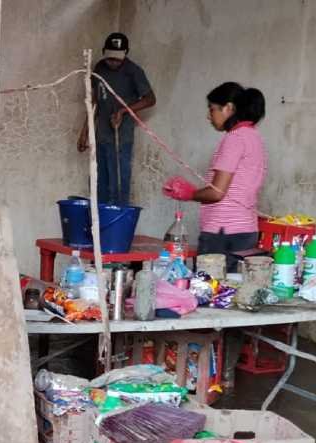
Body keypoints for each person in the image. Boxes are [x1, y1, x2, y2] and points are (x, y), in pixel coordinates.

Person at [162, 82, 268, 272]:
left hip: (223, 231)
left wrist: (189, 194)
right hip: (247, 229)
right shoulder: (254, 137)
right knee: (234, 290)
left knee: (210, 290)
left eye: (212, 110)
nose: (209, 116)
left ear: (228, 108)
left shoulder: (234, 139)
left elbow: (217, 193)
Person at [77, 32, 157, 205]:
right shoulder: (99, 68)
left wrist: (123, 111)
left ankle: (117, 228)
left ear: (126, 53)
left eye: (118, 59)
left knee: (118, 186)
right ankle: (100, 228)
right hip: (101, 136)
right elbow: (95, 102)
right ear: (104, 52)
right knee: (99, 185)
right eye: (110, 58)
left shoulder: (133, 72)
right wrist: (85, 132)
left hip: (121, 139)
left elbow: (150, 100)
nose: (113, 62)